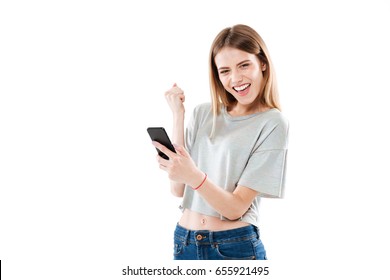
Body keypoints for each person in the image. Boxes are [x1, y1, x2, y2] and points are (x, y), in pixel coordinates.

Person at [152, 24, 288, 260]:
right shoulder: (203, 113)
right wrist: (178, 115)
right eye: (224, 71)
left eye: (244, 65)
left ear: (262, 63)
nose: (236, 78)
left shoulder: (272, 122)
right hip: (184, 242)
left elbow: (235, 208)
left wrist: (192, 174)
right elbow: (177, 189)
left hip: (233, 248)